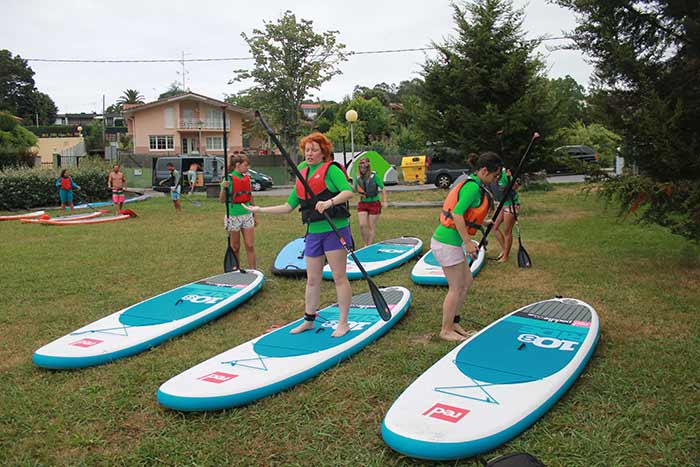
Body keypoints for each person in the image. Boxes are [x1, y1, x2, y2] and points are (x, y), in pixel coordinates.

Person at [245, 132, 355, 337]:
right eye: (307, 150)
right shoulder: (302, 173)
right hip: (313, 233)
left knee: (339, 277)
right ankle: (308, 320)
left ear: (323, 153)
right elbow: (288, 206)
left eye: (314, 150)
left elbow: (348, 191)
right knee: (312, 279)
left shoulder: (331, 169)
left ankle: (343, 322)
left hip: (334, 230)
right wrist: (260, 210)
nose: (310, 153)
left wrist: (329, 202)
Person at [431, 152, 502, 341]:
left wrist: (482, 222)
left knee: (466, 282)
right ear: (485, 171)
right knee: (456, 287)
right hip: (446, 243)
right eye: (495, 176)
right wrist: (469, 242)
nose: (495, 180)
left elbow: (468, 214)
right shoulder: (472, 188)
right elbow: (457, 214)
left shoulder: (474, 184)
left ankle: (454, 323)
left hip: (450, 243)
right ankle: (445, 330)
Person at [219, 153, 257, 269]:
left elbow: (250, 196)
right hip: (233, 216)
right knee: (235, 247)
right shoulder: (228, 179)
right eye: (246, 165)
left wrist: (254, 213)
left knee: (250, 245)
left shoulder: (247, 178)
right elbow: (221, 200)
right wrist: (224, 189)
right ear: (238, 165)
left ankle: (253, 271)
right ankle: (237, 271)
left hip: (247, 214)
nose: (248, 168)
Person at [353, 157, 388, 246]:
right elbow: (354, 189)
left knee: (371, 226)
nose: (362, 169)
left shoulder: (374, 177)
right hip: (363, 203)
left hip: (374, 203)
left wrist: (385, 201)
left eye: (364, 167)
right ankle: (365, 244)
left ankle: (369, 245)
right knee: (362, 225)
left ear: (368, 167)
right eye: (361, 167)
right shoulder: (358, 178)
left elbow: (383, 188)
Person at [492, 167, 520, 262]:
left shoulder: (505, 175)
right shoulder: (490, 174)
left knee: (507, 231)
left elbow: (516, 187)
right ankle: (504, 249)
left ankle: (505, 256)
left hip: (510, 204)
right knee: (494, 227)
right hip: (501, 203)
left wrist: (511, 180)